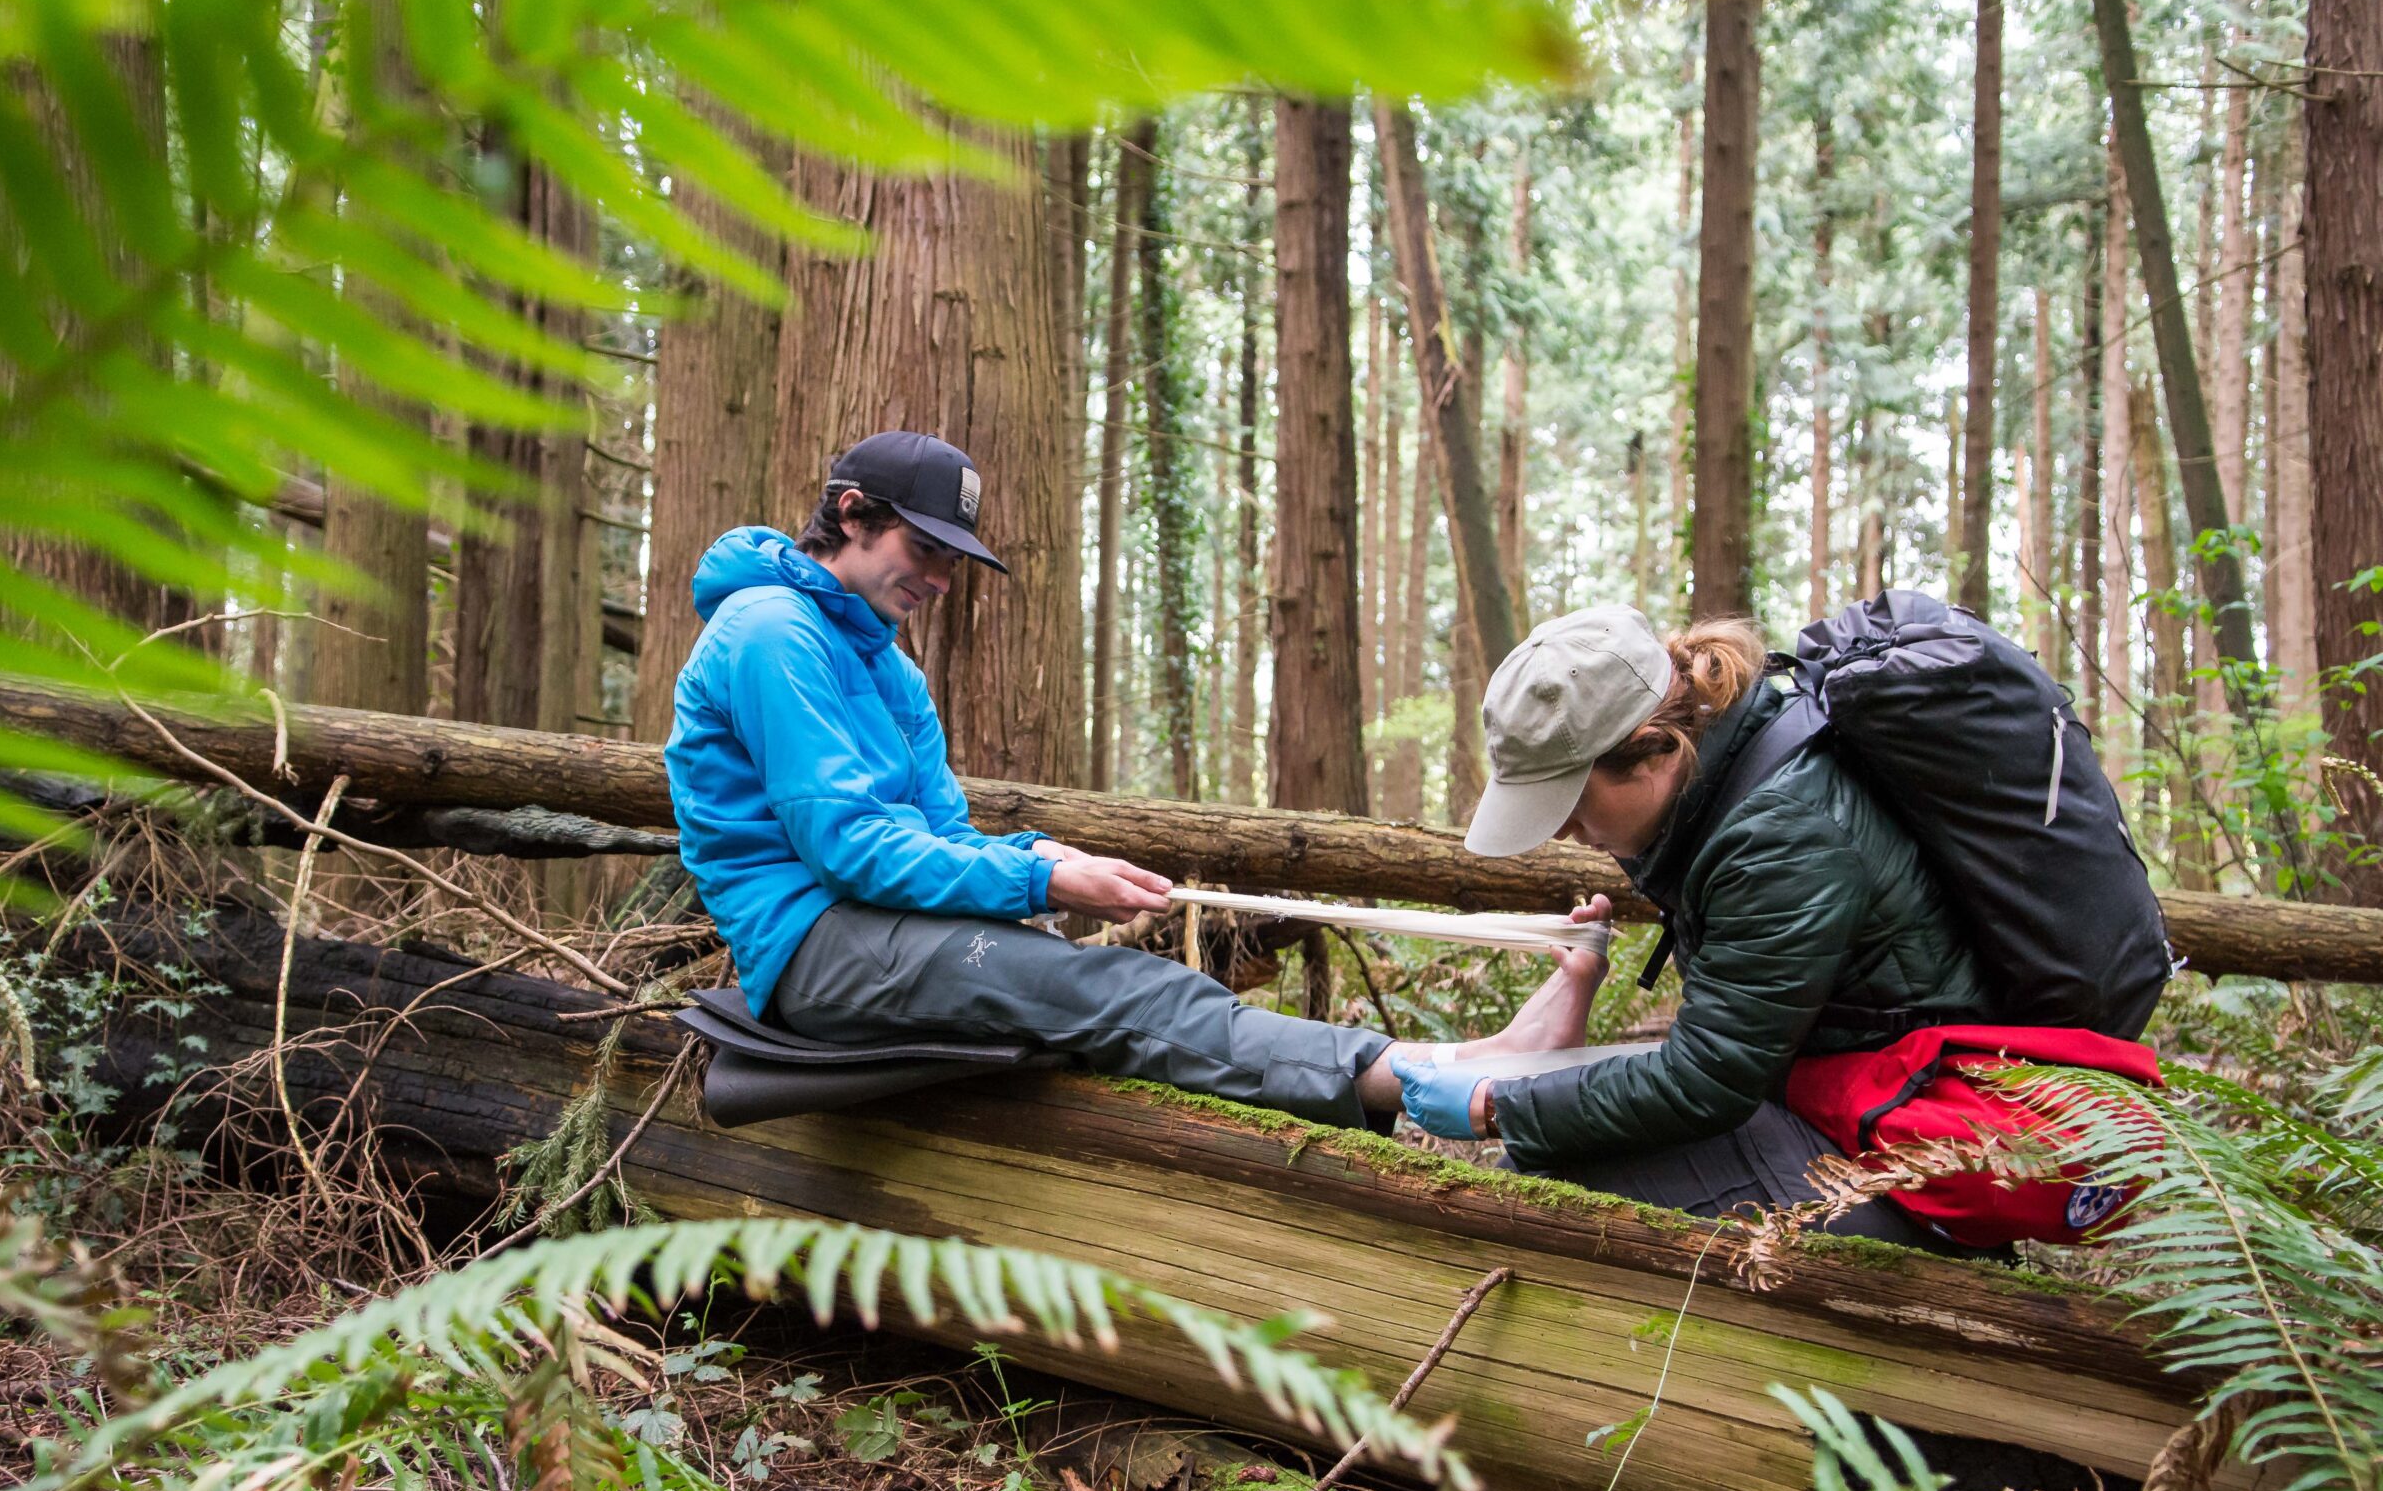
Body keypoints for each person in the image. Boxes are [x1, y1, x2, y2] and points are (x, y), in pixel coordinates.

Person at [664, 430, 1582, 1131]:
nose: (942, 579)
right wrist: (1038, 878)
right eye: (926, 549)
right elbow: (845, 845)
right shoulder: (768, 631)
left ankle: (1461, 1055)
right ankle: (1426, 1079)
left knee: (1090, 983)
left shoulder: (891, 669)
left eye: (954, 559)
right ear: (854, 514)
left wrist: (1040, 856)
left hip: (882, 926)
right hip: (815, 948)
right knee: (1110, 993)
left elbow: (938, 836)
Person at [1389, 605, 1988, 1246]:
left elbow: (1710, 1077)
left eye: (1570, 802)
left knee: (1527, 1200)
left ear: (1652, 750)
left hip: (1920, 1162)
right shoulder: (1729, 784)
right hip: (1847, 1107)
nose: (1562, 831)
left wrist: (1496, 1106)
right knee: (1536, 1173)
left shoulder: (1780, 832)